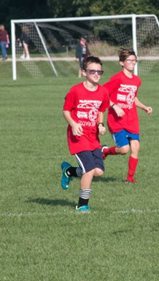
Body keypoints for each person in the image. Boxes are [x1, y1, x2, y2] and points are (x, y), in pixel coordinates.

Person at [60, 56, 110, 213]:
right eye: (92, 71)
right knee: (89, 170)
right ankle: (82, 204)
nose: (96, 74)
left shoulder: (103, 92)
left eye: (99, 71)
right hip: (78, 136)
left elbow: (101, 110)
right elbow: (66, 110)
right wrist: (73, 124)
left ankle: (69, 172)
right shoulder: (76, 91)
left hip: (93, 136)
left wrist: (100, 124)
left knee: (98, 172)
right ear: (83, 72)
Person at [101, 48, 153, 184]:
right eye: (129, 60)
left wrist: (144, 107)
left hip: (132, 120)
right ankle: (105, 151)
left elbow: (133, 98)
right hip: (116, 120)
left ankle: (130, 179)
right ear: (121, 63)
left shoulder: (137, 81)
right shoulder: (117, 78)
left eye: (134, 60)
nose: (132, 62)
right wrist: (114, 106)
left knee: (135, 148)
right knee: (124, 149)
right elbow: (103, 93)